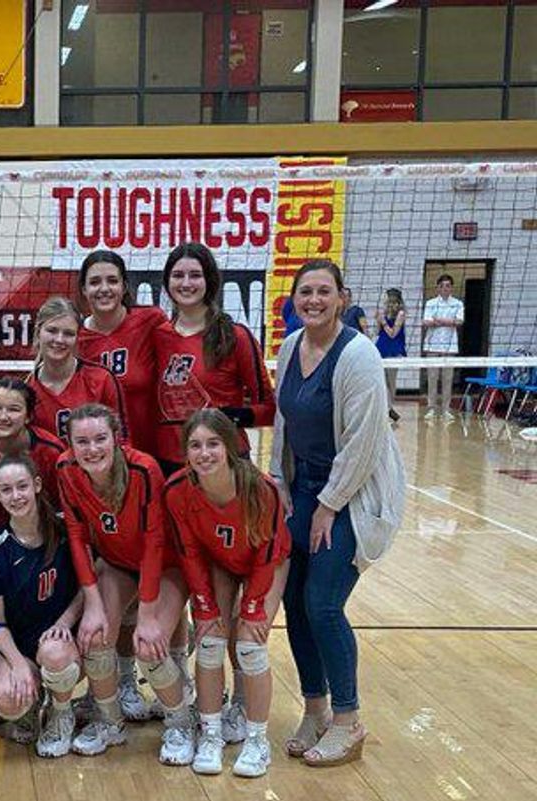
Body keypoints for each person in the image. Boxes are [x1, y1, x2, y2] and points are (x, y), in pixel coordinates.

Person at [271, 259, 405, 767]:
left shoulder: (359, 355)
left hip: (353, 491)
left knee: (323, 603)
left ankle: (348, 722)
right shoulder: (290, 347)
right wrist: (281, 483)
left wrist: (328, 506)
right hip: (305, 486)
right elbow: (284, 425)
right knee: (293, 600)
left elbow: (364, 444)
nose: (313, 300)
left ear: (341, 298)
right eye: (305, 291)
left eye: (323, 291)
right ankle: (315, 710)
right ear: (294, 299)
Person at [56, 404, 196, 764]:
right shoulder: (65, 469)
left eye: (100, 438)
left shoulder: (143, 470)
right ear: (70, 444)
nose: (92, 449)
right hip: (117, 564)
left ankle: (181, 723)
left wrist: (147, 615)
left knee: (149, 647)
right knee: (95, 636)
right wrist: (93, 604)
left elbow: (154, 542)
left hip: (166, 566)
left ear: (116, 438)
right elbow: (77, 537)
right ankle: (110, 722)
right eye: (82, 441)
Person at [165, 409, 291, 778]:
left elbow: (268, 551)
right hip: (219, 562)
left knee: (250, 646)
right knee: (209, 641)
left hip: (266, 564)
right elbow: (189, 553)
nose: (204, 453)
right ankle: (211, 734)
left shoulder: (260, 488)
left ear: (230, 446)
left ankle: (257, 741)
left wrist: (251, 607)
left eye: (213, 444)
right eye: (195, 445)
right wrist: (204, 607)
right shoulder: (177, 490)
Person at [0, 454, 83, 758]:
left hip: (61, 640)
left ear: (37, 485)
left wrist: (64, 623)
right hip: (20, 644)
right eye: (7, 489)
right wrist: (18, 663)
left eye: (22, 486)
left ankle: (61, 713)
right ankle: (32, 702)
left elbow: (87, 587)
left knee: (54, 652)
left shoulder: (64, 531)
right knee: (7, 699)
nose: (16, 496)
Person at [152, 242, 275, 476]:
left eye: (195, 275)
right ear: (167, 282)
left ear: (209, 280)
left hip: (225, 461)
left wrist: (226, 418)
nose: (186, 283)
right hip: (170, 465)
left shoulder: (235, 336)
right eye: (178, 275)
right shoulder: (156, 336)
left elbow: (269, 409)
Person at [76, 249, 167, 455]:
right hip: (99, 455)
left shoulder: (151, 321)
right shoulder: (74, 337)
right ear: (84, 289)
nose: (104, 288)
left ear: (124, 286)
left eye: (112, 281)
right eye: (95, 282)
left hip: (153, 452)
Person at [0, 378, 64, 531]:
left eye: (13, 409)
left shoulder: (52, 453)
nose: (3, 417)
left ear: (28, 416)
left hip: (47, 533)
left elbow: (62, 508)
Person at [26, 296, 127, 444]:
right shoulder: (28, 391)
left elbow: (121, 441)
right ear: (38, 332)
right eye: (52, 331)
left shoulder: (101, 379)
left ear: (77, 338)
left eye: (68, 333)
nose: (59, 339)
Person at [421, 274, 464, 421]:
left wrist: (438, 320)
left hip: (450, 346)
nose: (445, 288)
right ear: (438, 288)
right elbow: (426, 322)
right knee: (432, 377)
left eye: (448, 286)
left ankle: (446, 409)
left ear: (451, 288)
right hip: (432, 345)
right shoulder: (430, 303)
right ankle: (431, 408)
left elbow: (459, 321)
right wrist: (449, 322)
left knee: (447, 378)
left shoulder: (457, 303)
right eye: (442, 286)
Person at [375, 288, 407, 422]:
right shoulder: (383, 313)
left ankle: (389, 407)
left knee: (391, 381)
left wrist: (383, 322)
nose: (385, 301)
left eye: (386, 298)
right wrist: (378, 321)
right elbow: (378, 332)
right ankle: (385, 409)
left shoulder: (401, 314)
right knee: (381, 381)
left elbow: (393, 334)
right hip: (381, 348)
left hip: (393, 350)